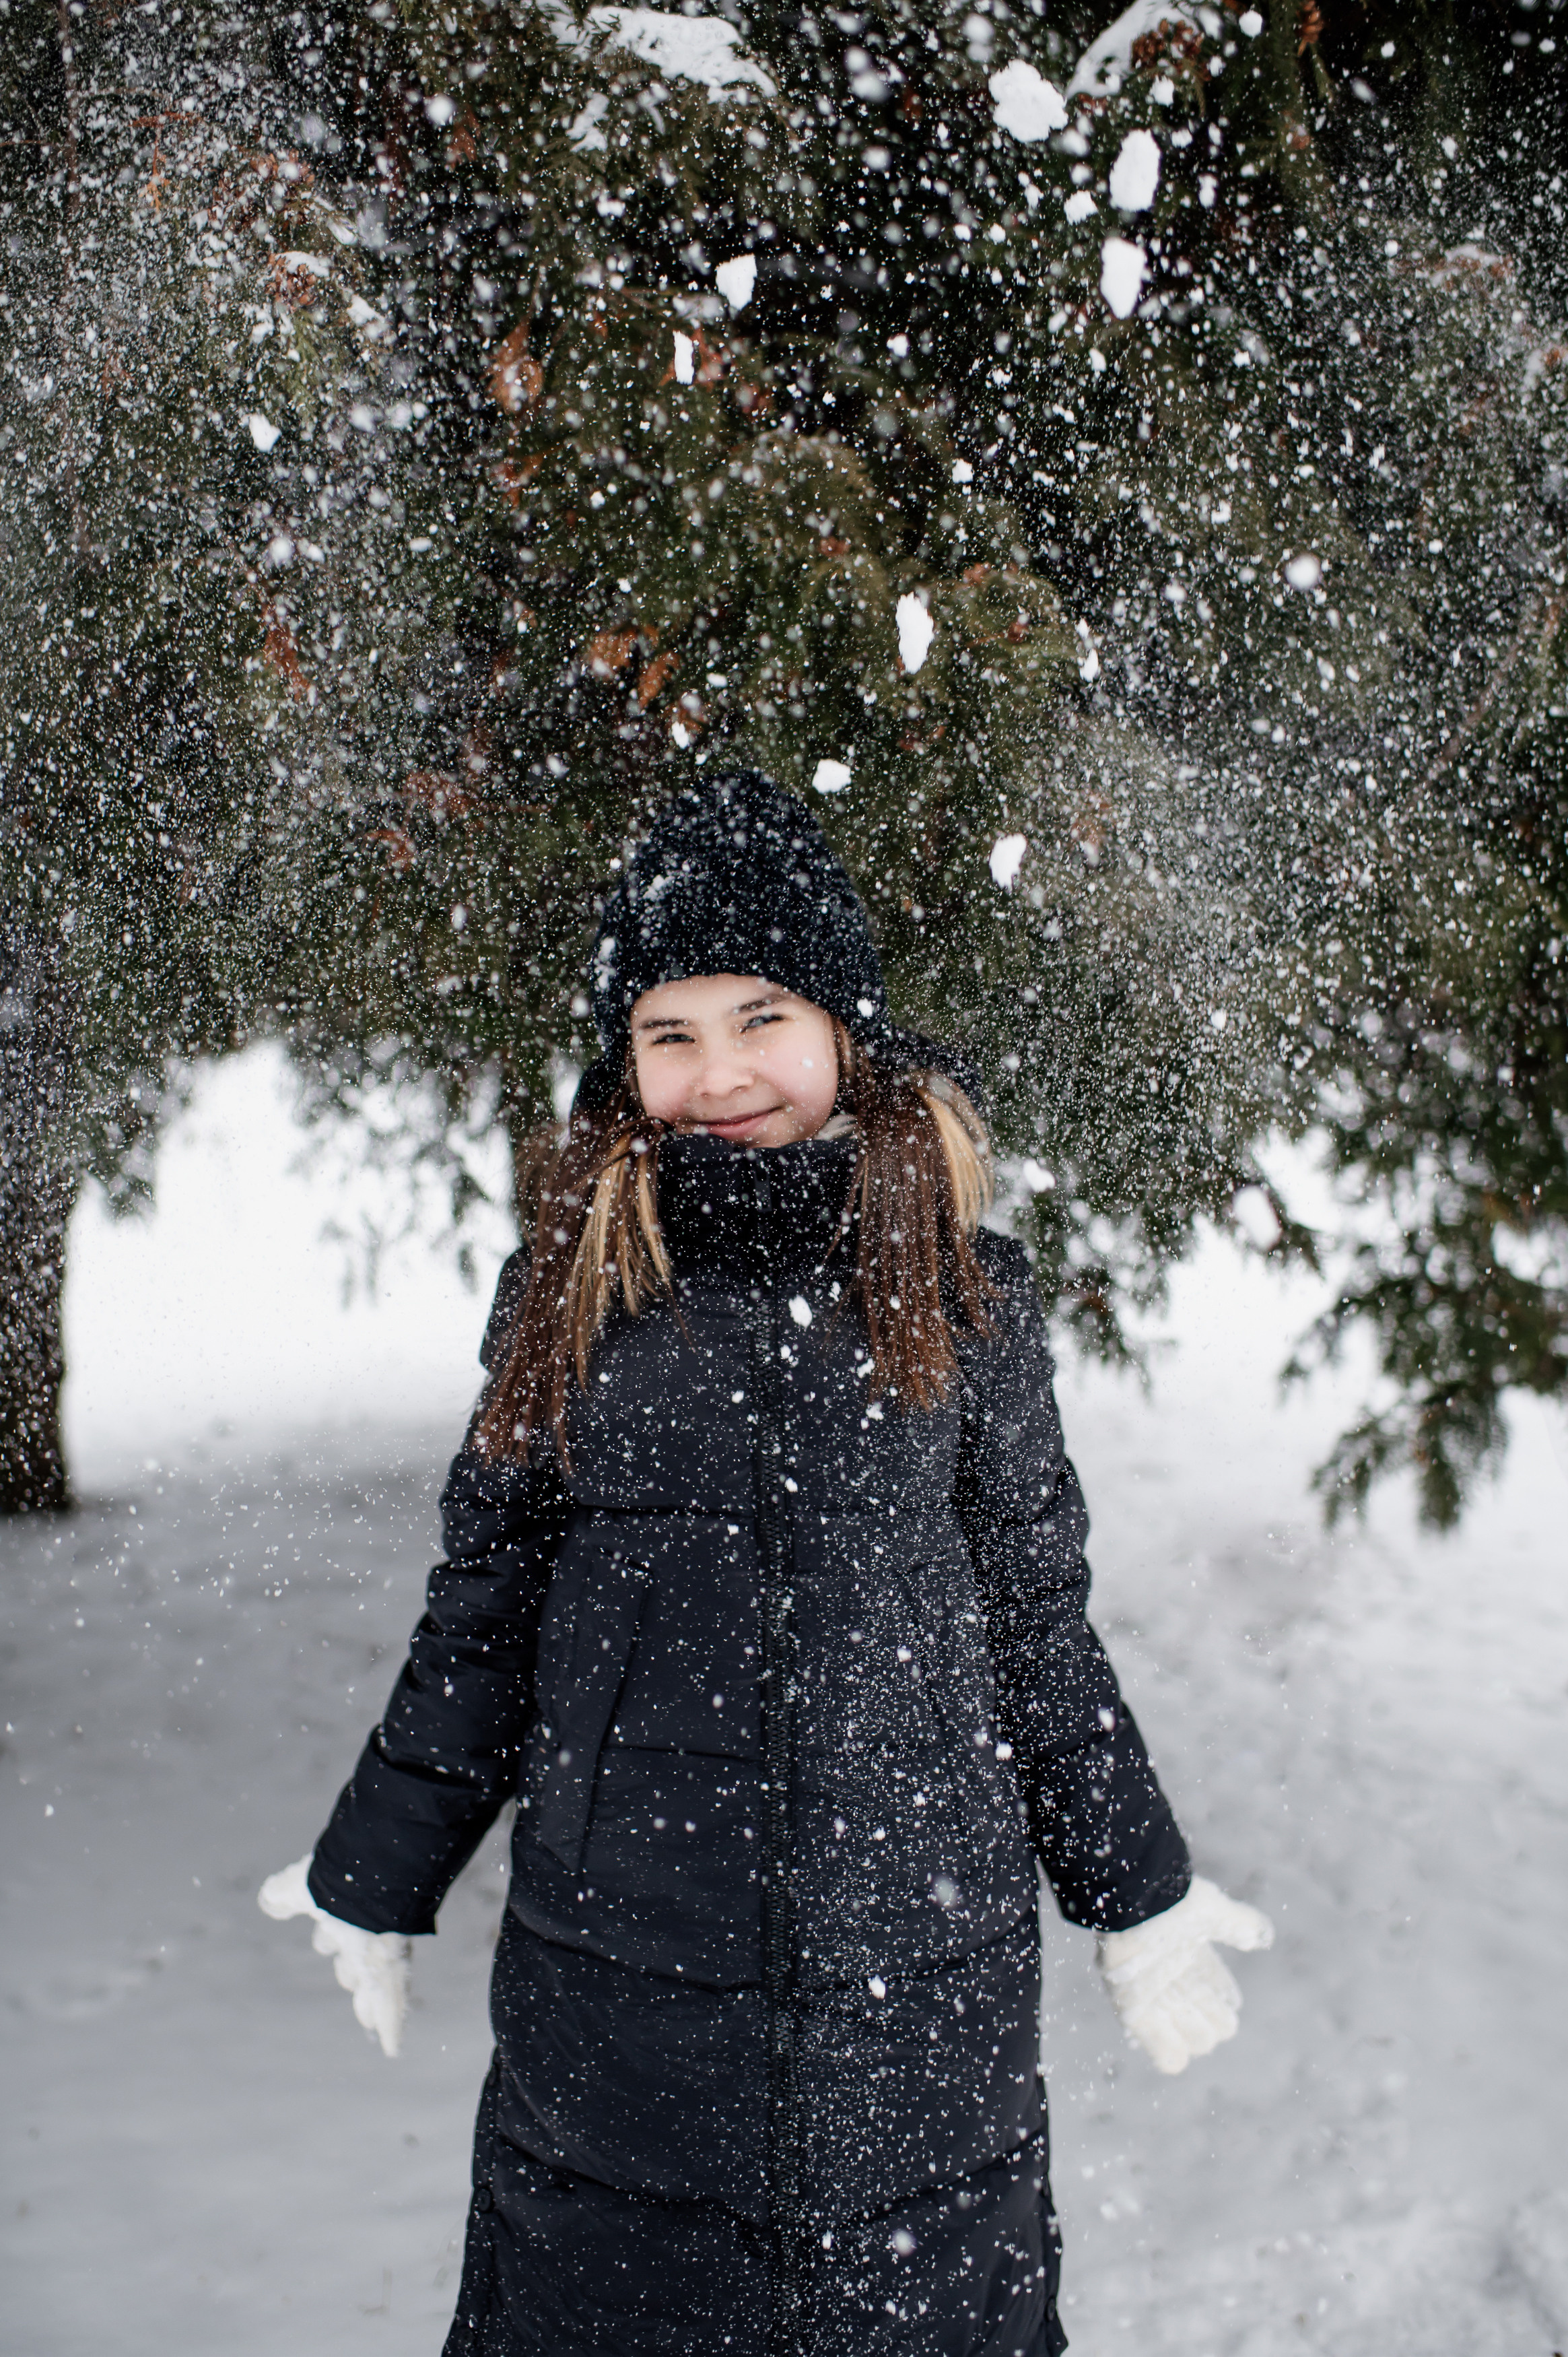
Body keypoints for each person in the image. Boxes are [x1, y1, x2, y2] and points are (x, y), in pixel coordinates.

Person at [261, 768, 1270, 2357]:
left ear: (846, 1033)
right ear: (625, 1062)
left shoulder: (961, 1294)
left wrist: (1133, 1893)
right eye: (668, 1033)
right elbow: (488, 1607)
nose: (718, 1072)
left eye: (761, 1018)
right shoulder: (571, 1295)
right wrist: (379, 1873)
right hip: (623, 1987)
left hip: (918, 1982)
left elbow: (1034, 1627)